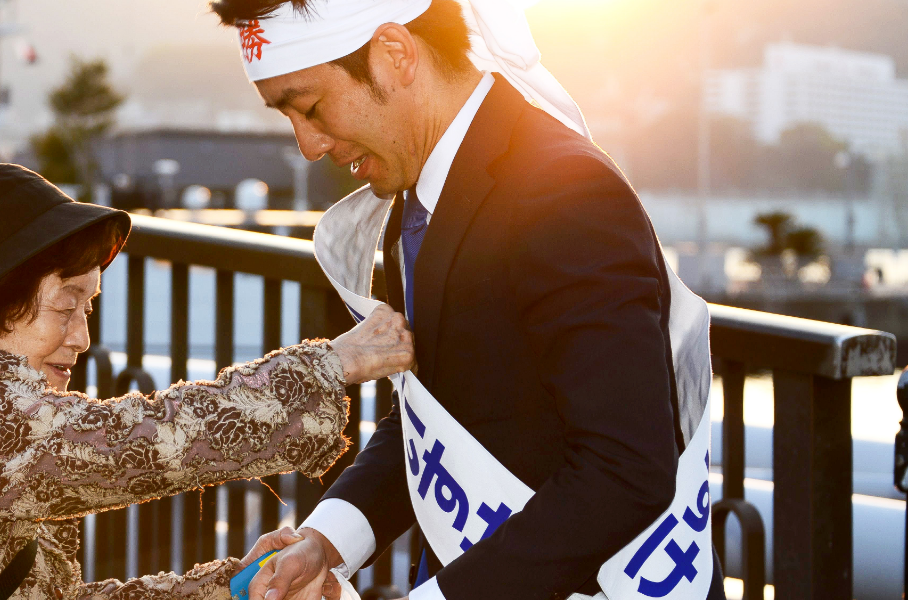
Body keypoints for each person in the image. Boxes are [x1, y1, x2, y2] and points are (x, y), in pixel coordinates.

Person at [209, 1, 727, 599]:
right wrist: (327, 541)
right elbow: (436, 415)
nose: (307, 144)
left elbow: (625, 469)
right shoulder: (424, 191)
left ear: (394, 54)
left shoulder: (565, 192)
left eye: (311, 107)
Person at [0, 163, 415, 600]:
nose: (81, 338)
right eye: (64, 305)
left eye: (90, 306)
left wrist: (238, 586)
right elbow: (151, 441)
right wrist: (335, 365)